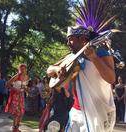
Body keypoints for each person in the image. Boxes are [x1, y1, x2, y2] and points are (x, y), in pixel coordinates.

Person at [47, 0, 116, 131]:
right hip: (76, 111)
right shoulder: (72, 57)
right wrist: (57, 69)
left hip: (97, 111)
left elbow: (111, 78)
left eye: (70, 39)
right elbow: (49, 70)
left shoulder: (101, 52)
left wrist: (94, 58)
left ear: (83, 39)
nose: (67, 43)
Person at [5, 64, 29, 132]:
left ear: (26, 69)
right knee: (16, 113)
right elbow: (7, 84)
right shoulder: (16, 76)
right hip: (15, 95)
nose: (22, 70)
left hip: (21, 96)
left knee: (21, 113)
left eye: (24, 69)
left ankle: (17, 127)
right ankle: (14, 128)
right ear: (19, 69)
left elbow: (25, 86)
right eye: (21, 69)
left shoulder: (27, 77)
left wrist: (26, 89)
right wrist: (15, 89)